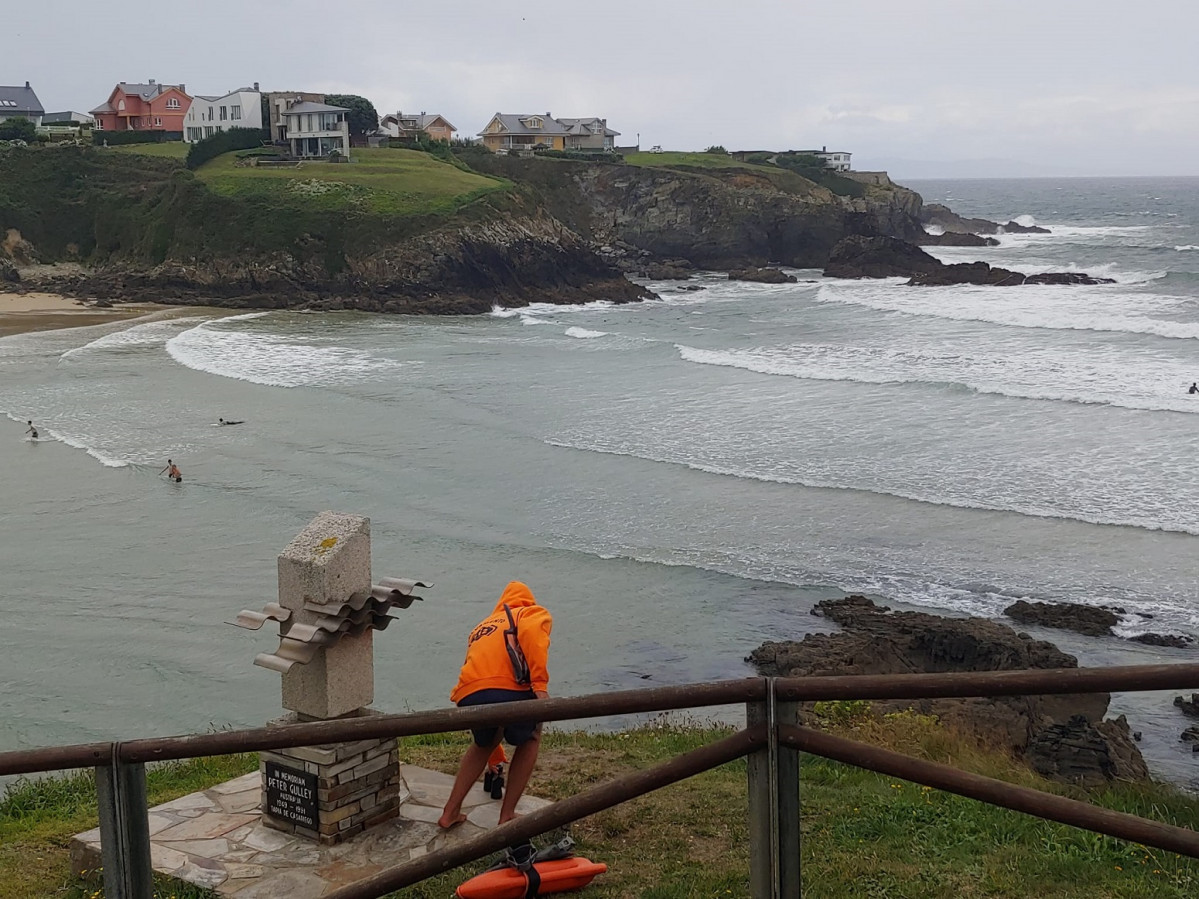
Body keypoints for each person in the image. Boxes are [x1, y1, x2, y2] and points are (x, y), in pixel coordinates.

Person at [438, 581, 552, 829]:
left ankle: (450, 812)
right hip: (507, 689)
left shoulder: (482, 626)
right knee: (532, 736)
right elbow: (534, 638)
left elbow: (474, 666)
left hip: (469, 693)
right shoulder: (530, 612)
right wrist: (540, 686)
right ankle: (507, 814)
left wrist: (495, 754)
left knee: (484, 743)